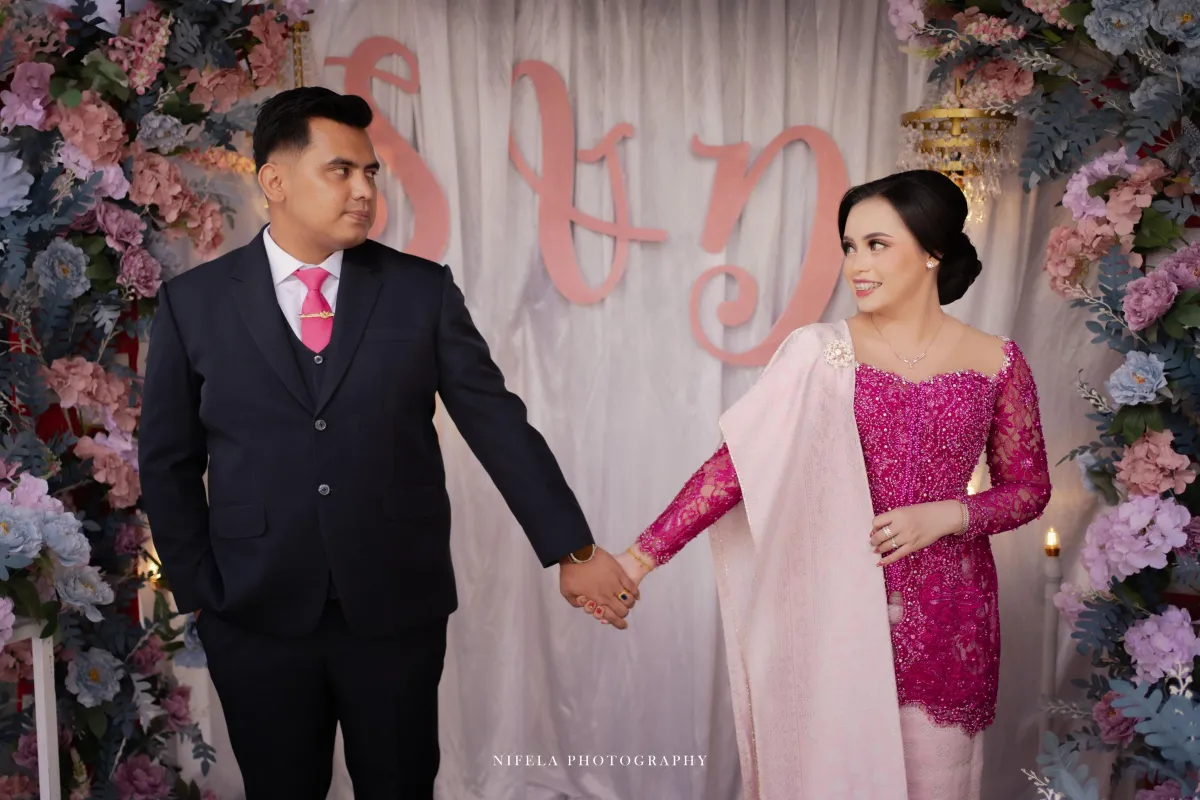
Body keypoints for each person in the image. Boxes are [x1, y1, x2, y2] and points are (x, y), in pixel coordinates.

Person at [137, 87, 639, 799]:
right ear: (274, 181)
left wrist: (572, 549)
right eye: (340, 170)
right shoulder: (196, 303)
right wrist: (201, 592)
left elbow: (496, 422)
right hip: (252, 611)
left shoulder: (419, 292)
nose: (364, 190)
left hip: (395, 605)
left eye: (370, 173)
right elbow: (168, 459)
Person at [577, 170, 1052, 799]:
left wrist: (949, 514)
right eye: (850, 246)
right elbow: (735, 468)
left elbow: (1028, 488)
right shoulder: (819, 352)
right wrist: (638, 561)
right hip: (833, 609)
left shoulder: (998, 361)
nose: (856, 264)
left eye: (877, 245)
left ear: (932, 251)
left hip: (949, 619)